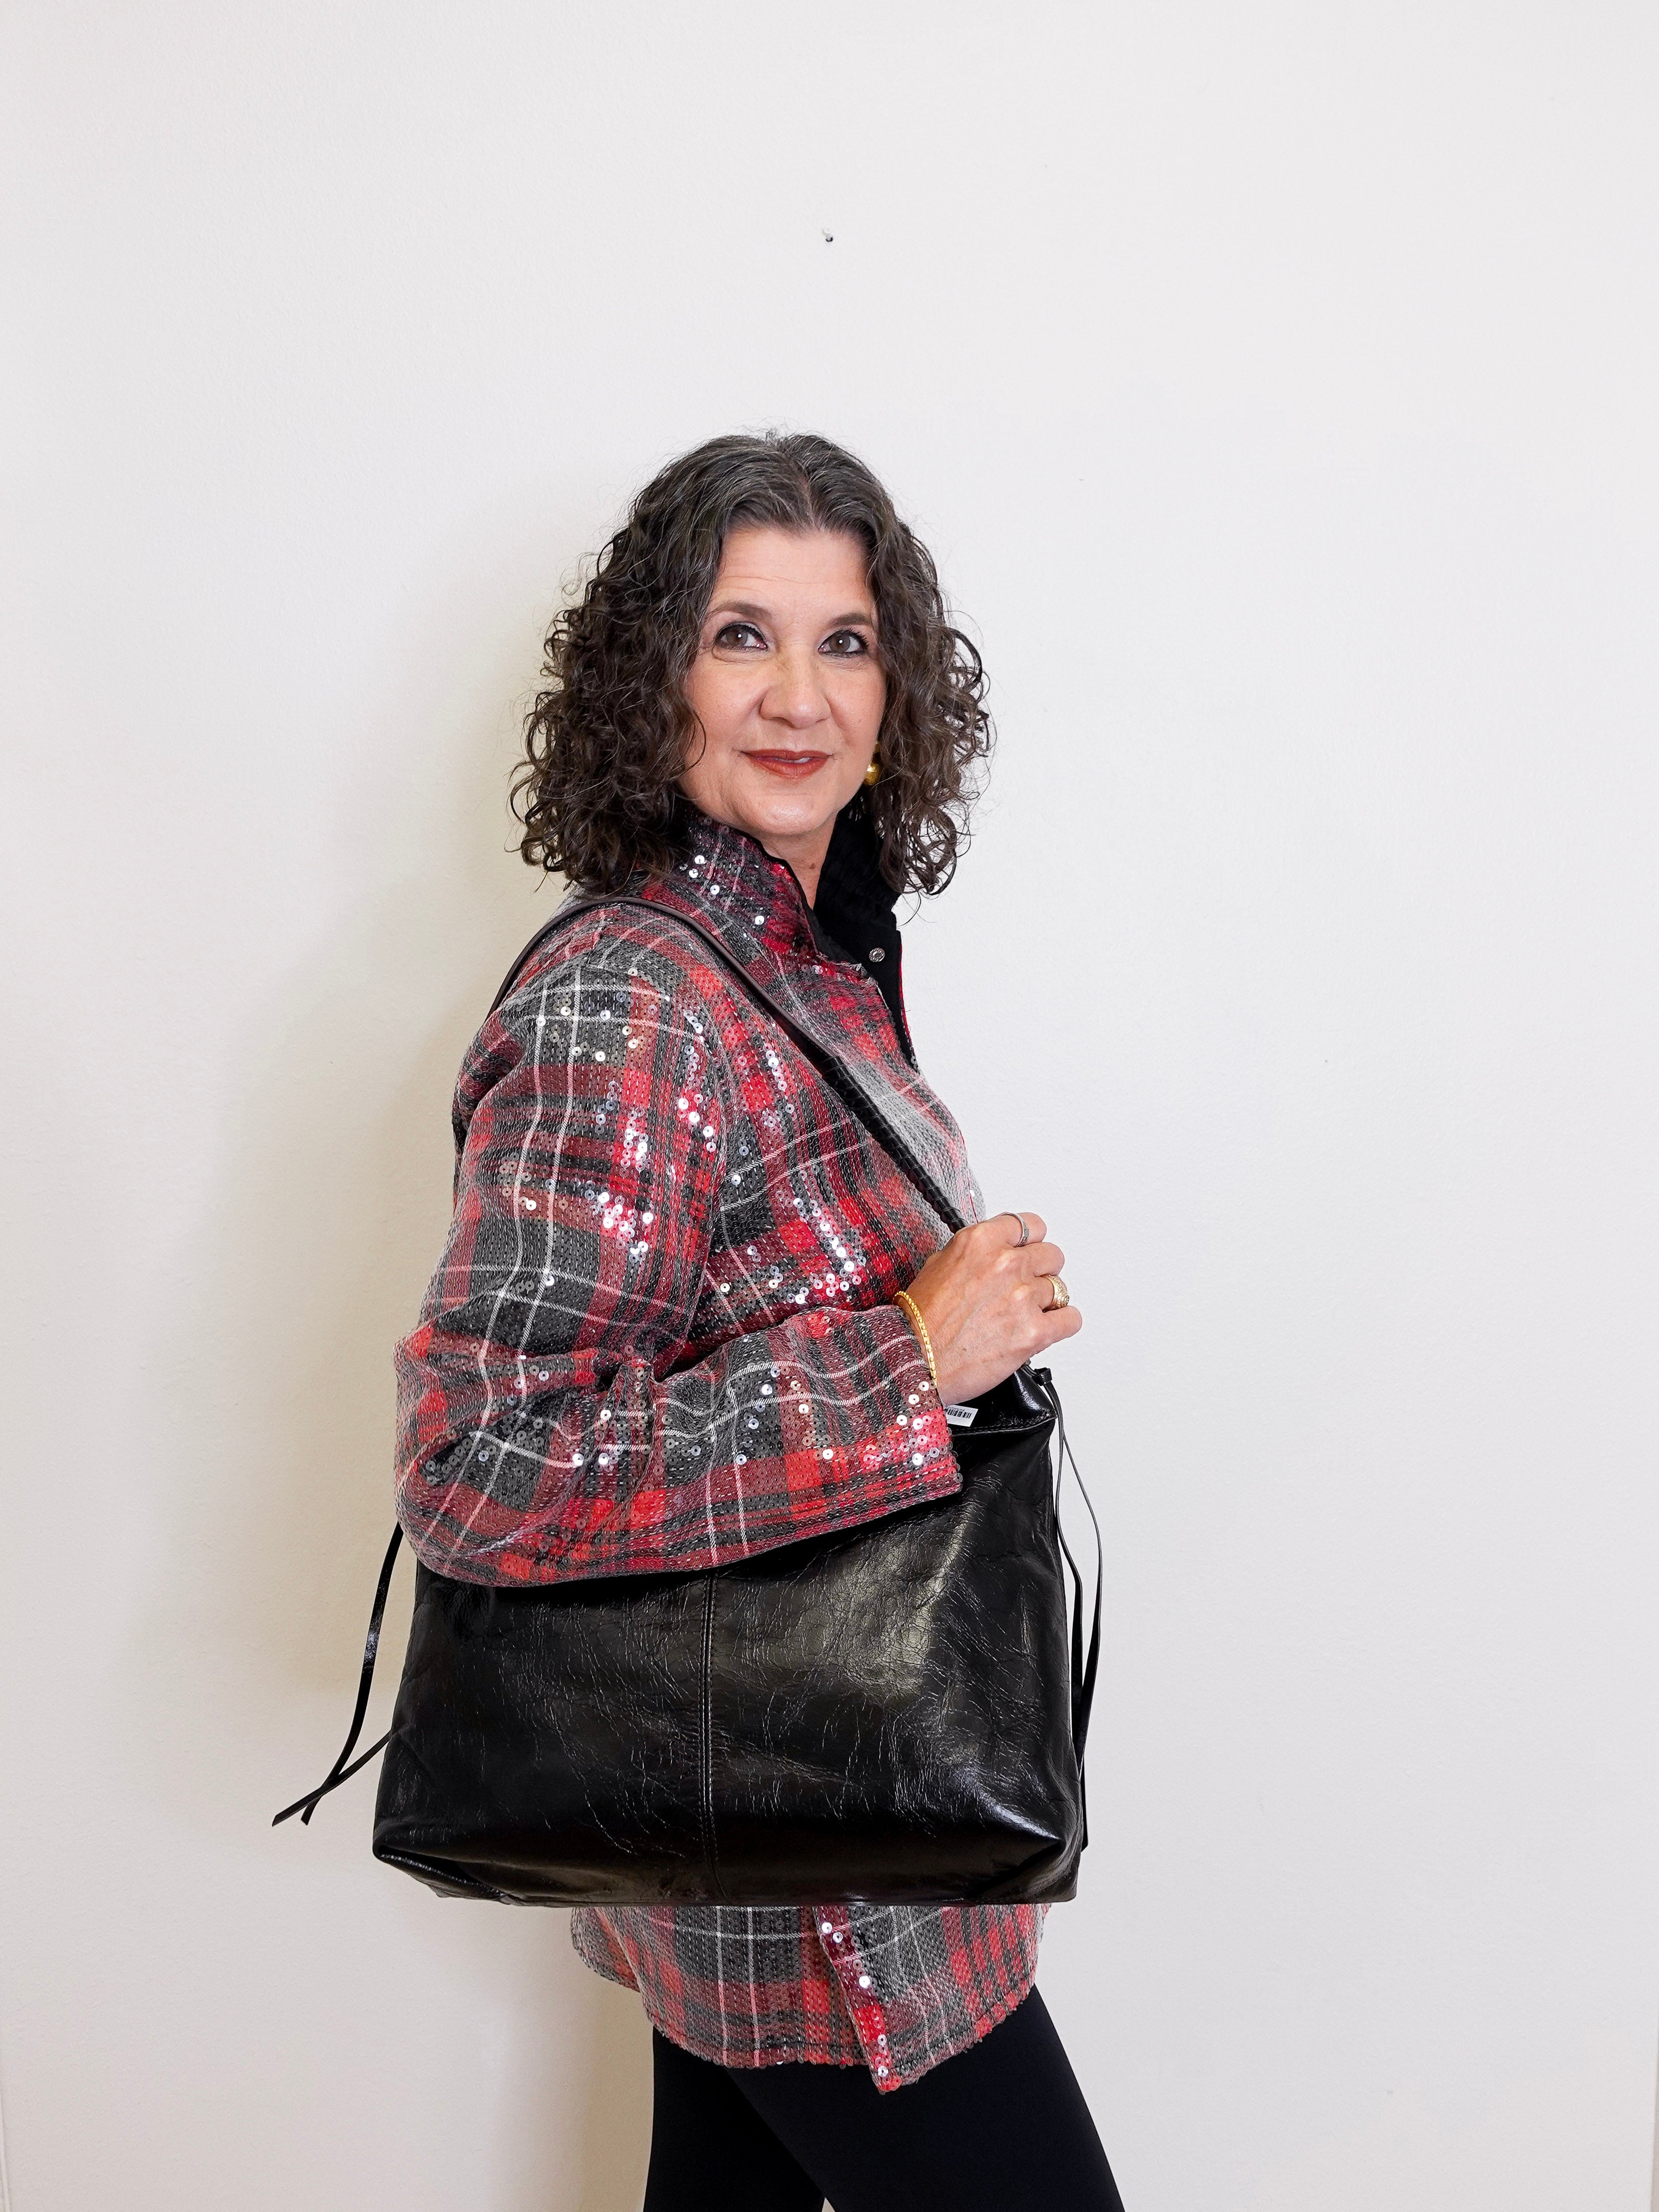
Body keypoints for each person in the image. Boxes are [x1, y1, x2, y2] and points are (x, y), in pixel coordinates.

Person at [394, 432, 1125, 2211]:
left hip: (775, 1846)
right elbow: (483, 1467)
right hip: (830, 1921)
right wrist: (908, 1356)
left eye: (845, 641)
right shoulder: (632, 998)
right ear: (653, 677)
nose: (797, 694)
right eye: (739, 636)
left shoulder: (803, 960)